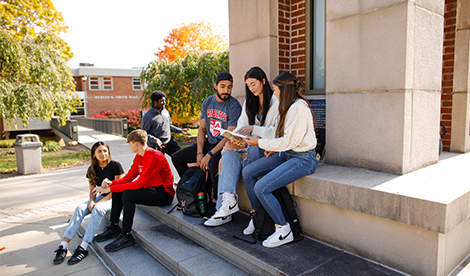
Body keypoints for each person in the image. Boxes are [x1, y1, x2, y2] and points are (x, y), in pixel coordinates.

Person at [242, 72, 319, 248]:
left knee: (261, 187)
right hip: (288, 153)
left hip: (303, 158)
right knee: (248, 172)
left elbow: (289, 141)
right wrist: (271, 147)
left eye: (276, 89)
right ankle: (258, 216)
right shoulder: (289, 106)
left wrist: (259, 142)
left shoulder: (298, 108)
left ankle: (283, 229)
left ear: (284, 89)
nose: (274, 93)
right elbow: (286, 139)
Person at [204, 66, 279, 226]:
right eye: (248, 85)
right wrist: (238, 138)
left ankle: (223, 209)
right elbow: (240, 125)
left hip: (265, 146)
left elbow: (276, 131)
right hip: (249, 143)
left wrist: (253, 130)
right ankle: (228, 202)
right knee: (230, 145)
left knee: (222, 162)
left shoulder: (275, 102)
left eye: (254, 84)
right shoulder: (249, 102)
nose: (251, 88)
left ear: (263, 81)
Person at [92, 129, 175, 252]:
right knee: (119, 191)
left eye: (129, 143)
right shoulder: (138, 157)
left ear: (136, 144)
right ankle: (114, 226)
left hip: (164, 193)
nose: (129, 146)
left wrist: (111, 188)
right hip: (149, 189)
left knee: (128, 195)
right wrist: (112, 184)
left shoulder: (156, 156)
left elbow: (139, 183)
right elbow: (129, 177)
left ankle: (126, 235)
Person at [171, 72, 242, 213]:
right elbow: (202, 129)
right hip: (209, 142)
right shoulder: (208, 102)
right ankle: (194, 186)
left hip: (222, 146)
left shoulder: (234, 105)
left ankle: (216, 203)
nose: (226, 91)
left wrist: (209, 154)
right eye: (222, 86)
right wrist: (199, 152)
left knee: (213, 163)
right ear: (215, 86)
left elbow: (228, 136)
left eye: (229, 87)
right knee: (177, 158)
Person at [53, 141, 124, 265]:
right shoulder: (92, 169)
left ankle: (84, 247)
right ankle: (63, 246)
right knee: (80, 208)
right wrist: (91, 201)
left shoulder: (115, 165)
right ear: (94, 154)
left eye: (105, 151)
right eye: (99, 151)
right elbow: (92, 190)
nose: (103, 154)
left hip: (114, 199)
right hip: (99, 198)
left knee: (97, 209)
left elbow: (117, 190)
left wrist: (98, 203)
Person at [141, 90, 191, 156]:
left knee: (181, 157)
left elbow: (169, 126)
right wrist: (155, 140)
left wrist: (180, 131)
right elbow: (144, 134)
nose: (164, 103)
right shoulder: (147, 117)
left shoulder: (165, 112)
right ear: (155, 102)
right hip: (157, 146)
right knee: (157, 165)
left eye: (165, 101)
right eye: (162, 101)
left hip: (169, 142)